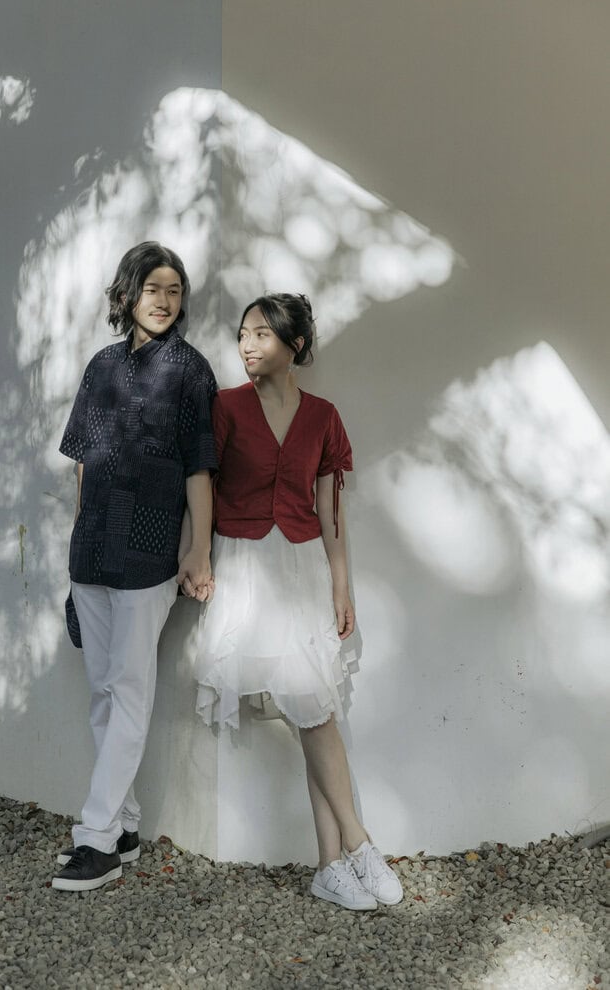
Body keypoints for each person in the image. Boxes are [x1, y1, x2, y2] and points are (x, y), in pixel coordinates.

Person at [193, 293, 403, 911]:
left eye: (262, 333)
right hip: (247, 569)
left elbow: (331, 508)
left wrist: (341, 584)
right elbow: (200, 482)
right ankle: (358, 843)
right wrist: (197, 554)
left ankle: (329, 865)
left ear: (296, 345)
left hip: (303, 569)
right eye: (243, 333)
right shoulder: (225, 407)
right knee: (313, 708)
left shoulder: (323, 417)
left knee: (314, 709)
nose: (247, 344)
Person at [53, 242, 217, 892]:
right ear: (128, 293)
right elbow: (84, 465)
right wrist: (76, 543)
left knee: (128, 689)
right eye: (154, 288)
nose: (165, 300)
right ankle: (122, 826)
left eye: (174, 290)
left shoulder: (190, 371)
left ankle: (94, 839)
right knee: (102, 689)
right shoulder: (101, 366)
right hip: (92, 549)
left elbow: (199, 468)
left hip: (149, 552)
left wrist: (197, 549)